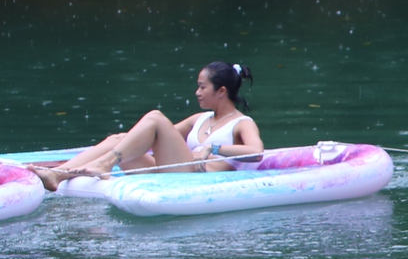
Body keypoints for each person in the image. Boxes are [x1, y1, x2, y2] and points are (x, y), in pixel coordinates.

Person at [33, 61, 263, 191]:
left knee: (155, 117)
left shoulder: (241, 123)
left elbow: (256, 153)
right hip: (177, 170)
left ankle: (105, 163)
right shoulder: (199, 119)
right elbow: (153, 137)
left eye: (203, 87)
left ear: (221, 91)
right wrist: (127, 142)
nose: (197, 92)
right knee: (118, 139)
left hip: (197, 177)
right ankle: (57, 174)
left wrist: (214, 147)